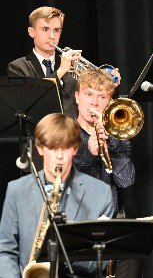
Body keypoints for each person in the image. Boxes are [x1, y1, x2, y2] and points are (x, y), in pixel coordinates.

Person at [0, 113, 114, 278]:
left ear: (75, 149)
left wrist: (64, 253)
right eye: (52, 148)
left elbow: (100, 260)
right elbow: (4, 250)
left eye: (66, 147)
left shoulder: (101, 193)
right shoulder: (17, 190)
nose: (59, 157)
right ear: (40, 148)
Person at [72, 68, 143, 277]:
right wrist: (89, 152)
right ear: (77, 97)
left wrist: (110, 142)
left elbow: (127, 180)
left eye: (102, 97)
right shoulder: (65, 132)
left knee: (135, 247)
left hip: (109, 224)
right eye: (88, 94)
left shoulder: (117, 134)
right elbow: (65, 179)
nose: (94, 103)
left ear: (110, 102)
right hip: (75, 225)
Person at [7, 6, 121, 118]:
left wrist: (108, 84)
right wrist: (60, 71)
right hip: (38, 131)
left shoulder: (71, 63)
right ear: (31, 32)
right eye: (45, 29)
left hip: (72, 129)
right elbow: (30, 101)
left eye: (56, 30)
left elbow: (90, 98)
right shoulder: (17, 67)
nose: (52, 36)